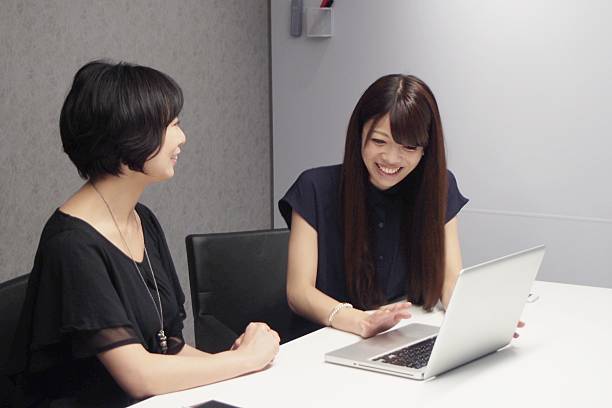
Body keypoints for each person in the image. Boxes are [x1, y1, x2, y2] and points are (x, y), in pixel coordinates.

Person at [6, 60, 280, 407]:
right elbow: (138, 377)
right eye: (172, 125)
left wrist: (231, 364)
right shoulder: (72, 245)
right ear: (128, 136)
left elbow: (167, 346)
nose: (182, 138)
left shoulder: (141, 219)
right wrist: (243, 360)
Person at [279, 74, 470, 338]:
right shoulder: (315, 188)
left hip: (397, 334)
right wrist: (360, 321)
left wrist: (475, 317)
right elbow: (298, 292)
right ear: (359, 133)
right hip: (323, 340)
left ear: (426, 148)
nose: (391, 158)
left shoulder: (440, 187)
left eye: (409, 147)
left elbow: (450, 280)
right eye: (379, 141)